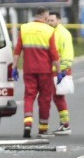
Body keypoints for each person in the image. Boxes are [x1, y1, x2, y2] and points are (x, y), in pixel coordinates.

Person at [12, 7, 60, 138]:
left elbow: (17, 50)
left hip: (29, 70)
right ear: (45, 17)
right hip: (45, 71)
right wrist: (59, 71)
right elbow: (54, 54)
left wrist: (14, 67)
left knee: (29, 96)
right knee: (44, 99)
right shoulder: (49, 31)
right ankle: (43, 129)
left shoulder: (24, 28)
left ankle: (27, 124)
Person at [45, 12, 73, 135]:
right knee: (57, 97)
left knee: (58, 97)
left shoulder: (62, 33)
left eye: (52, 20)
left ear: (59, 20)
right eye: (48, 20)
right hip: (55, 70)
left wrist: (63, 70)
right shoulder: (53, 32)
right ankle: (64, 124)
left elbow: (66, 53)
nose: (50, 23)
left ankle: (66, 125)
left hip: (60, 70)